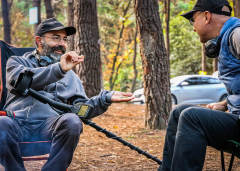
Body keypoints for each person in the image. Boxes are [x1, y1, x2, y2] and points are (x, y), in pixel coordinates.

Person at [0, 18, 134, 171]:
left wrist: (104, 99)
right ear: (39, 41)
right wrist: (59, 69)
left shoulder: (70, 75)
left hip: (49, 127)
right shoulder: (16, 62)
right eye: (55, 37)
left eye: (64, 39)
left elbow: (81, 109)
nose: (62, 43)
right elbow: (22, 81)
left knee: (72, 121)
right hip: (18, 123)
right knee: (1, 123)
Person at [158, 0, 240, 170]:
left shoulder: (237, 35)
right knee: (179, 112)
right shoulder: (227, 38)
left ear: (207, 16)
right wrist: (224, 105)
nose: (193, 27)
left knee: (191, 117)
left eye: (193, 19)